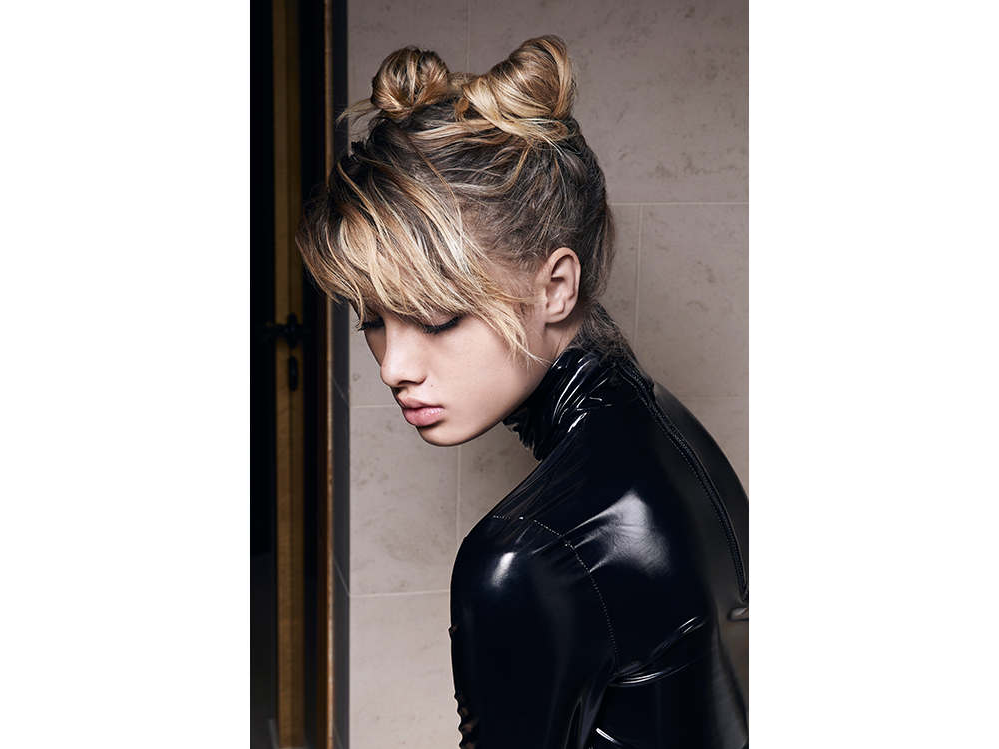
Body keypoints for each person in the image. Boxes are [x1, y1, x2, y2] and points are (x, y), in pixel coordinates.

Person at [297, 35, 748, 749]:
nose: (393, 367)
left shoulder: (523, 556)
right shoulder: (668, 427)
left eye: (437, 318)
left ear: (555, 286)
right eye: (373, 321)